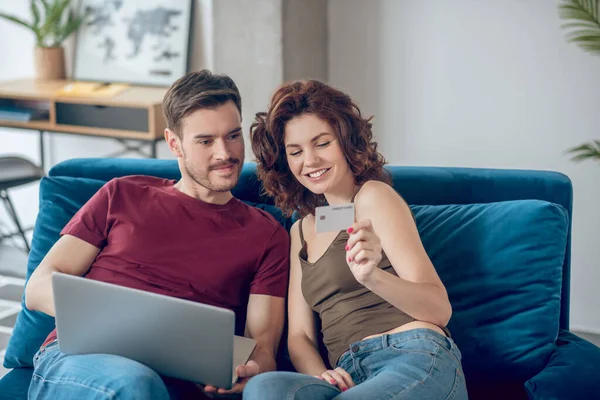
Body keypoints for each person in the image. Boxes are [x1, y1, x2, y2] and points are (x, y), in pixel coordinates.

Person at [25, 70, 290, 400]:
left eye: (233, 135)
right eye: (206, 141)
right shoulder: (122, 194)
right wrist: (121, 322)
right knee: (133, 383)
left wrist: (249, 371)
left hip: (179, 379)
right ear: (174, 143)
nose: (225, 153)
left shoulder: (267, 235)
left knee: (141, 385)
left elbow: (263, 347)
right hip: (80, 360)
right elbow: (38, 288)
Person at [243, 80, 468, 399]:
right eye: (296, 151)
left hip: (412, 356)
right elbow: (299, 335)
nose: (310, 161)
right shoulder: (302, 229)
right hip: (347, 375)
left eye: (322, 143)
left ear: (346, 141)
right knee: (266, 388)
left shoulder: (374, 197)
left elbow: (438, 309)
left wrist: (371, 277)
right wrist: (321, 376)